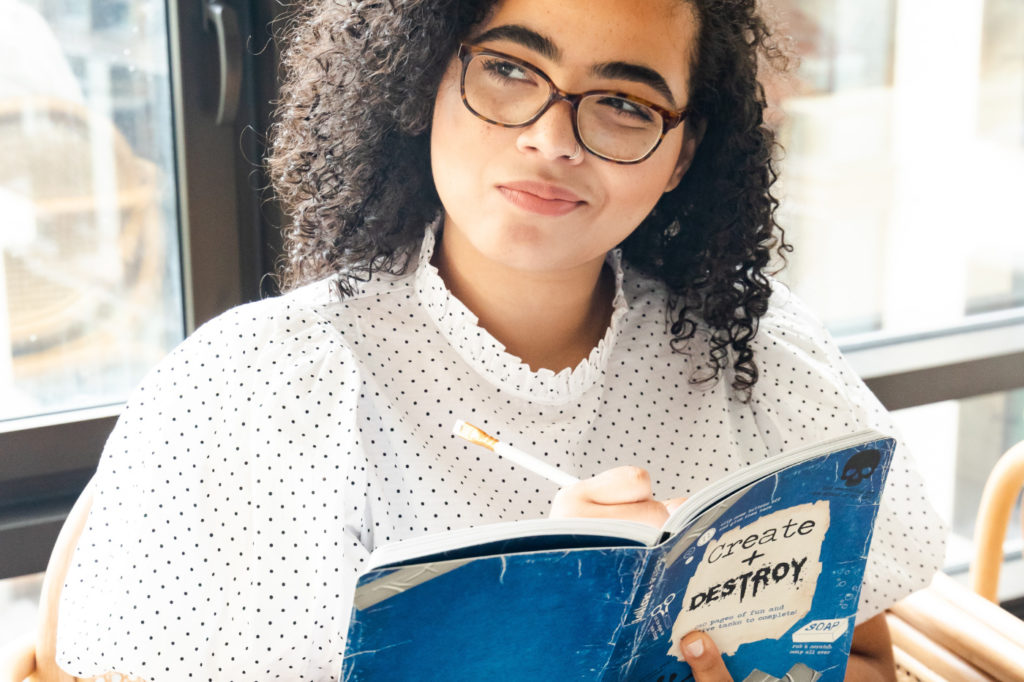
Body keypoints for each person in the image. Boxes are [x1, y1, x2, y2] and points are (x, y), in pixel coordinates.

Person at [56, 0, 946, 679]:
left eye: (625, 104)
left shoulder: (757, 358)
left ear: (681, 152)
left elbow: (870, 661)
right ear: (423, 80)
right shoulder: (257, 387)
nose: (553, 138)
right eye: (512, 71)